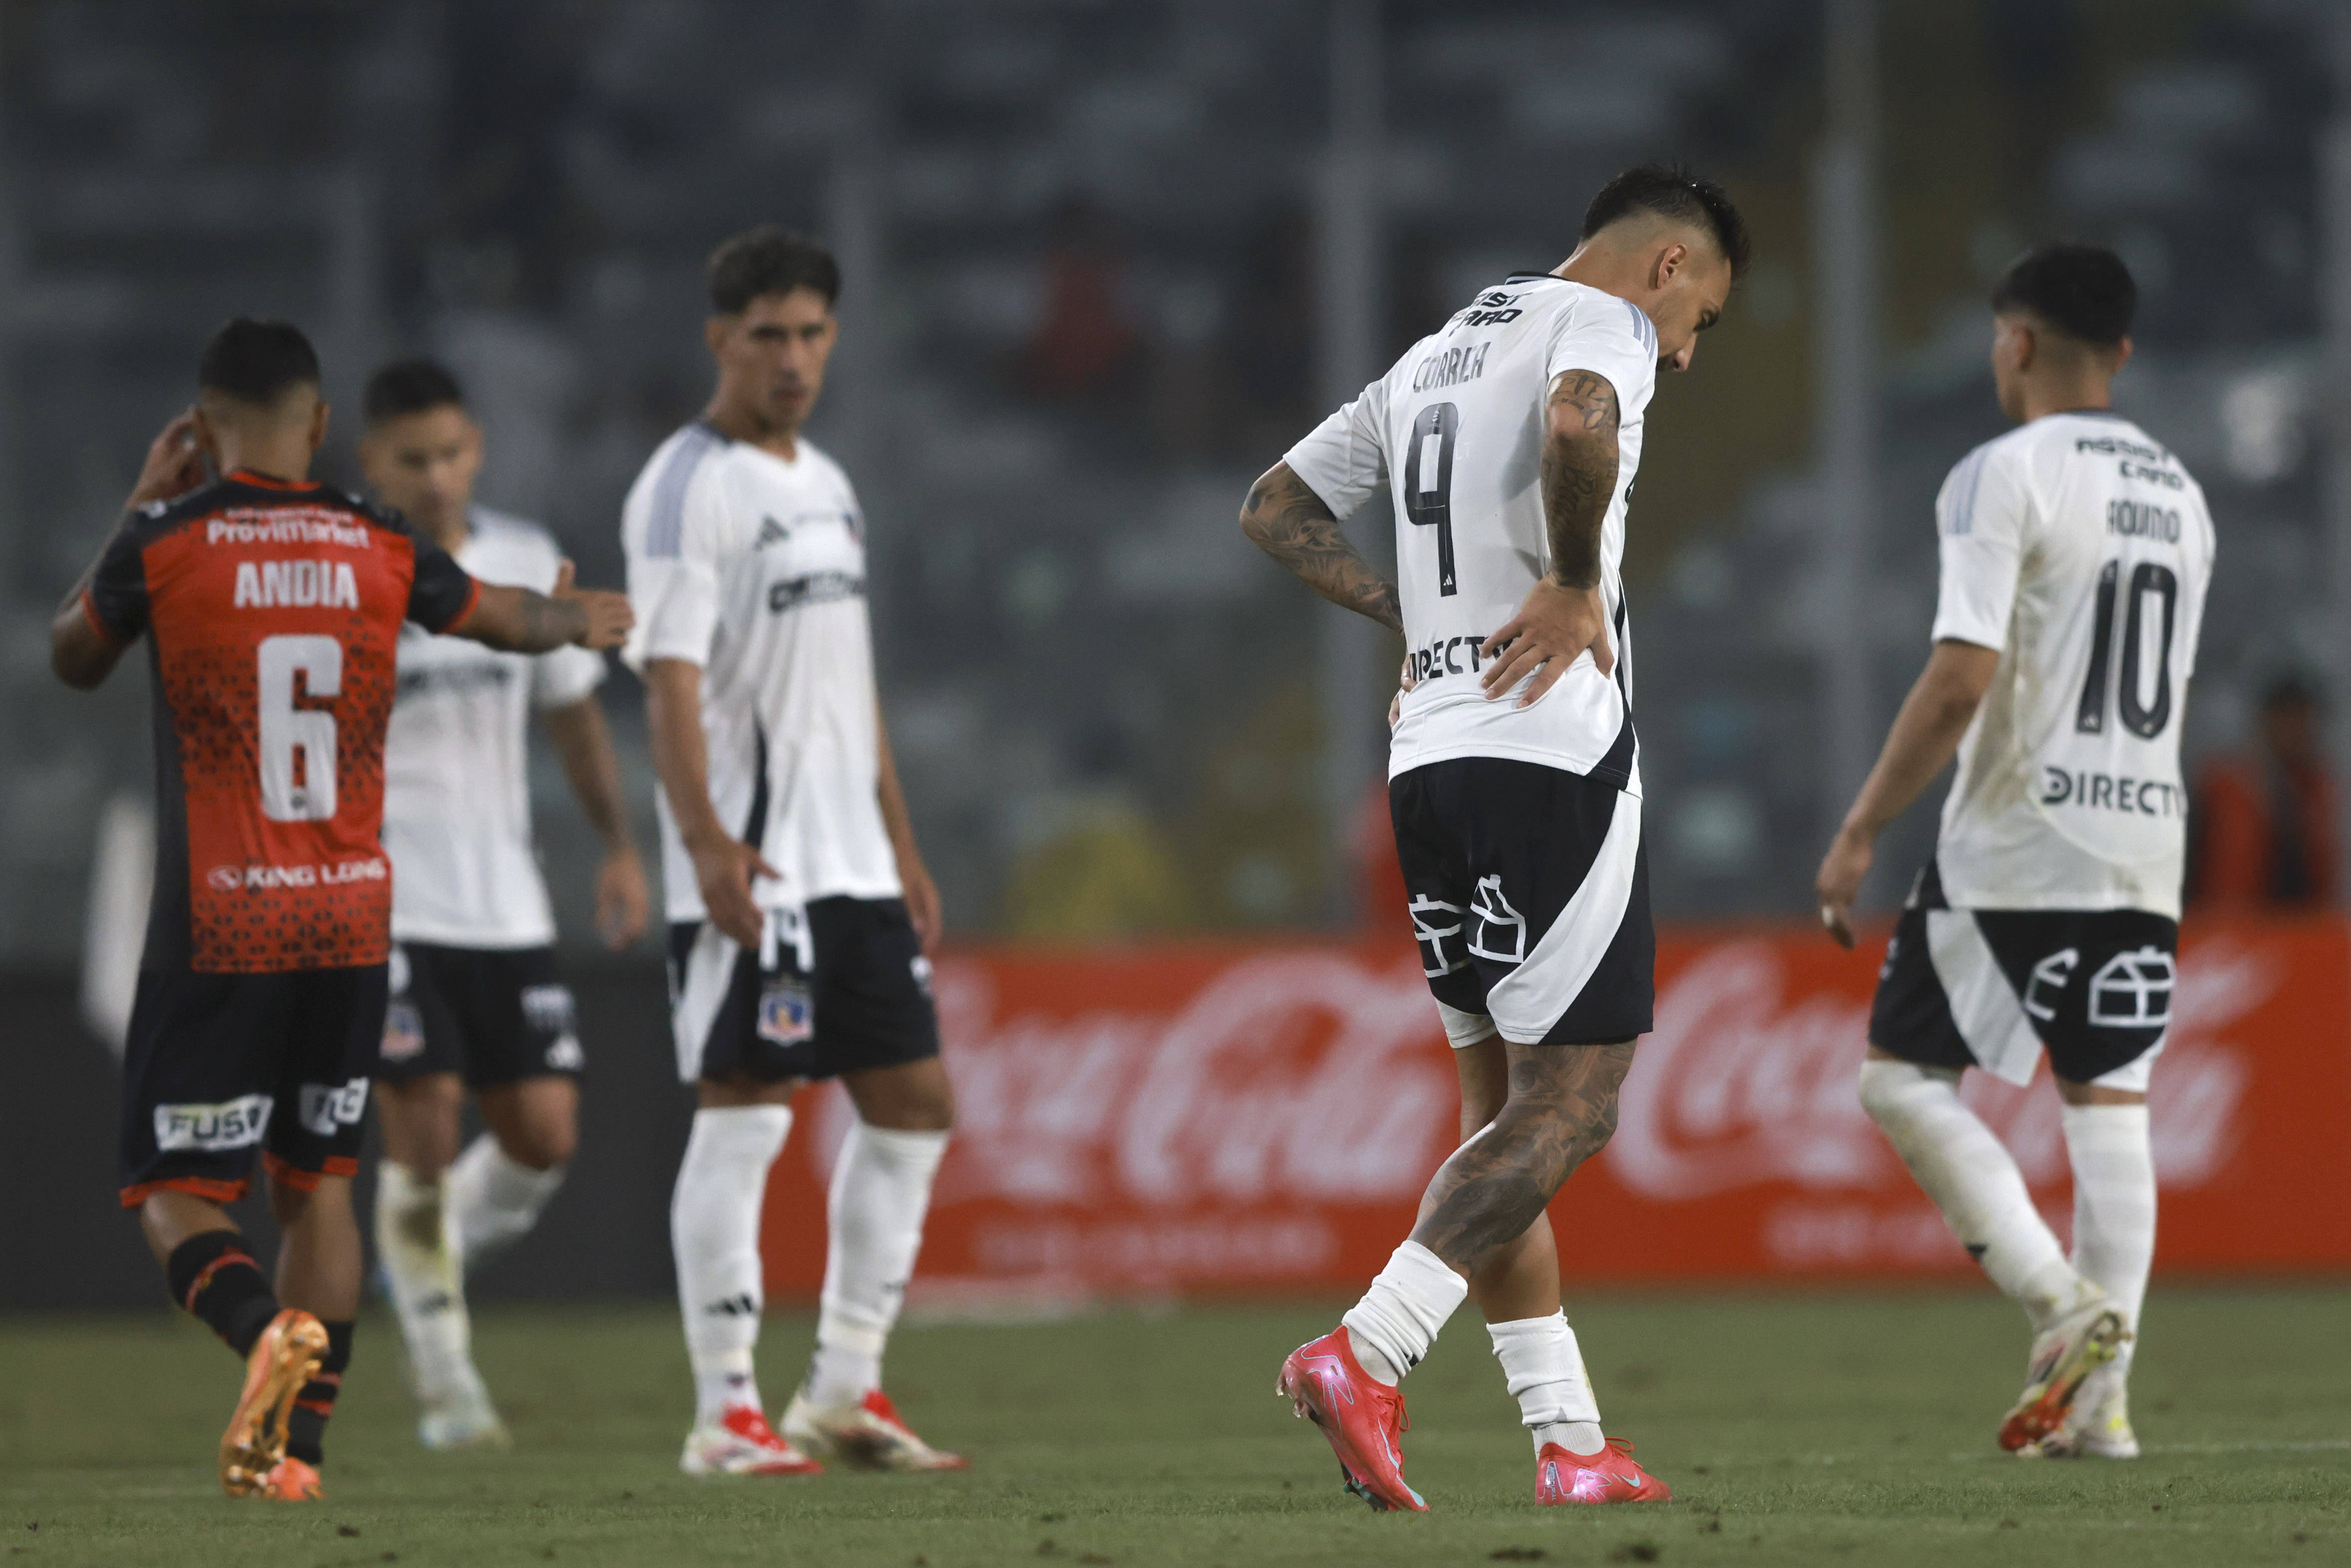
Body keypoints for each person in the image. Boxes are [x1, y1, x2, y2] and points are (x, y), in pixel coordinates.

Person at [47, 319, 631, 1501]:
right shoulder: (378, 540)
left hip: (224, 917)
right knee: (316, 1184)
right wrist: (581, 617)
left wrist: (136, 506)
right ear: (320, 428)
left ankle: (262, 1330)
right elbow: (513, 620)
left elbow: (73, 656)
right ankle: (291, 1451)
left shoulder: (168, 540)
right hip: (354, 925)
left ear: (202, 430)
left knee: (171, 1185)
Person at [1242, 166, 1748, 1511]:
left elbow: (1273, 506)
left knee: (1496, 1112)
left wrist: (1407, 623)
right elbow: (1583, 420)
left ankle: (1567, 1440)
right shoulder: (1603, 329)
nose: (1688, 353)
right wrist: (1576, 583)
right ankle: (1367, 1350)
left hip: (1428, 754)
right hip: (1547, 749)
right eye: (1705, 313)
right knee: (1575, 1102)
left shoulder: (1432, 354)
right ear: (1665, 268)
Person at [1814, 244, 2214, 1460]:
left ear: (2016, 344)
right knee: (2109, 1115)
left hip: (2016, 839)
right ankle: (2102, 1415)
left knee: (1896, 1077)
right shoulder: (2181, 493)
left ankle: (2062, 1309)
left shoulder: (1999, 473)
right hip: (2142, 839)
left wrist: (1862, 824)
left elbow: (1959, 675)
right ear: (2124, 354)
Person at [622, 227, 963, 1477]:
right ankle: (724, 1413)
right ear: (720, 339)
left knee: (915, 1105)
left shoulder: (826, 481)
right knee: (747, 1112)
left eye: (812, 332)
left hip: (854, 861)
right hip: (757, 862)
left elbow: (847, 678)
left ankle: (842, 1388)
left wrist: (900, 837)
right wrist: (706, 843)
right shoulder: (684, 484)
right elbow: (662, 680)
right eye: (767, 333)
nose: (793, 356)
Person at [359, 358, 651, 1451]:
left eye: (450, 453)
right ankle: (448, 1386)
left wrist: (620, 847)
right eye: (411, 459)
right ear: (369, 461)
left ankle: (414, 1262)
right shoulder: (357, 574)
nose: (435, 477)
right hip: (386, 899)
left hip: (505, 899)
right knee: (423, 1123)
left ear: (475, 449)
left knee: (541, 1138)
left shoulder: (524, 560)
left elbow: (572, 720)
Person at [2188, 674, 2337, 909]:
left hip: (2300, 929)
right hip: (2225, 927)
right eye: (2287, 720)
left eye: (2302, 722)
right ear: (2267, 721)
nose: (2294, 732)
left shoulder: (2316, 791)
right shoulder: (2226, 786)